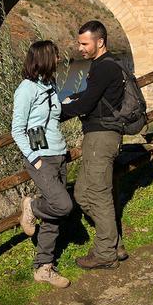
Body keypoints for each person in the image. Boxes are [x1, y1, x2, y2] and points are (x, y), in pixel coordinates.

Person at [60, 20, 131, 270]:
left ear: (99, 42)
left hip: (101, 138)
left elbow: (85, 105)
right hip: (101, 136)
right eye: (79, 43)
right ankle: (114, 244)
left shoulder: (103, 68)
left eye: (84, 43)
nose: (80, 48)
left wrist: (55, 111)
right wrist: (73, 99)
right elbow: (92, 97)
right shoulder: (105, 65)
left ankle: (105, 254)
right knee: (82, 193)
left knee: (98, 196)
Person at [12, 40, 73, 288]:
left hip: (59, 155)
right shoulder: (26, 89)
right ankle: (31, 206)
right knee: (64, 205)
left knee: (55, 215)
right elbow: (17, 130)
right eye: (56, 56)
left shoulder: (49, 84)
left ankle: (43, 267)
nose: (59, 60)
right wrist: (34, 159)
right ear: (45, 58)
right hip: (41, 158)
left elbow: (54, 115)